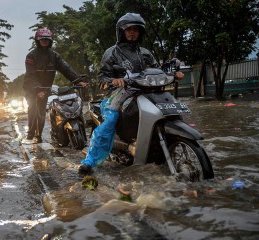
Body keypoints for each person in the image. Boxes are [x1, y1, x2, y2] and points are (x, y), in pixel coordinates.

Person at [78, 13, 184, 175]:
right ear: (121, 32)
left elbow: (158, 71)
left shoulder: (145, 53)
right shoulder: (112, 53)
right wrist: (114, 80)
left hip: (148, 91)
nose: (132, 33)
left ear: (140, 32)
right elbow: (102, 78)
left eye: (136, 30)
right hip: (120, 92)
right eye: (129, 30)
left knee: (170, 110)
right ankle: (89, 161)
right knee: (111, 120)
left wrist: (173, 75)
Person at [23, 28, 87, 143]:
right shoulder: (31, 56)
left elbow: (65, 68)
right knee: (33, 109)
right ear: (37, 40)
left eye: (47, 40)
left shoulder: (54, 55)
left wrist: (77, 80)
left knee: (42, 112)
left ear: (50, 41)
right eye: (42, 39)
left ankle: (39, 135)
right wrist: (38, 90)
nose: (45, 41)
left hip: (46, 87)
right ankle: (30, 134)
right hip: (31, 88)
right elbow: (30, 75)